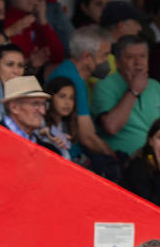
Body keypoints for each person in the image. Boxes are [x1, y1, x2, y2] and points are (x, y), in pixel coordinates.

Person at [47, 26, 117, 168]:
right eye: (104, 55)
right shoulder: (73, 80)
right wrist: (114, 159)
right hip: (71, 160)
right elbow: (88, 138)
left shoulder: (69, 71)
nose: (107, 61)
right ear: (86, 57)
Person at [93, 35, 160, 157]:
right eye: (130, 57)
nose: (138, 62)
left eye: (142, 56)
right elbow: (111, 127)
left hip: (156, 160)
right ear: (117, 63)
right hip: (123, 163)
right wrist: (133, 91)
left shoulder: (155, 86)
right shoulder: (104, 85)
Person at [2, 0, 63, 73]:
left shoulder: (35, 22)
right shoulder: (4, 20)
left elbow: (57, 56)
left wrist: (43, 20)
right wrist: (30, 61)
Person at [0, 76, 67, 156]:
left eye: (44, 104)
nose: (43, 111)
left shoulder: (49, 153)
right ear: (14, 107)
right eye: (36, 104)